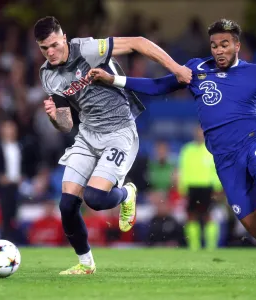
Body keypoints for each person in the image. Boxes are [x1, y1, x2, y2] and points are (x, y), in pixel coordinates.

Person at [87, 19, 256, 278]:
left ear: (236, 45)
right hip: (226, 160)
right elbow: (159, 86)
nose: (218, 50)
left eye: (224, 44)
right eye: (214, 45)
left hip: (254, 141)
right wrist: (113, 79)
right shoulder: (196, 69)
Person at [35, 16, 191, 275]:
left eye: (54, 44)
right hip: (87, 135)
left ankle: (127, 193)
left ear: (63, 37)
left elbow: (138, 43)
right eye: (44, 48)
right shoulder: (48, 75)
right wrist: (54, 117)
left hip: (119, 132)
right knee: (67, 205)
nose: (50, 52)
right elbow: (65, 125)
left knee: (95, 199)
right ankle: (86, 265)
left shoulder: (86, 49)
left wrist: (176, 68)